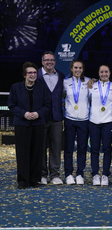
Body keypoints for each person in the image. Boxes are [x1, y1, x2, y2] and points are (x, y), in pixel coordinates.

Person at [8, 62, 50, 189]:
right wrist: (24, 113)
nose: (32, 75)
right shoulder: (15, 87)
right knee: (22, 153)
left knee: (37, 153)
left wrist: (38, 113)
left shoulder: (42, 87)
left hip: (38, 123)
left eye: (34, 72)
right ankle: (22, 181)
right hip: (22, 124)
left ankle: (34, 180)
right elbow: (11, 105)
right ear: (24, 75)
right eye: (30, 72)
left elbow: (47, 105)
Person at [37, 51, 65, 185]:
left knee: (56, 147)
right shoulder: (35, 75)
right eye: (47, 60)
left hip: (57, 117)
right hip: (40, 118)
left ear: (55, 61)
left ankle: (55, 175)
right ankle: (42, 175)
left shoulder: (60, 75)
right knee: (41, 147)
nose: (50, 62)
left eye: (52, 60)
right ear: (42, 62)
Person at [88, 65, 112, 186]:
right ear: (98, 73)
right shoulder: (91, 86)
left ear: (110, 73)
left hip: (108, 121)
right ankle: (95, 174)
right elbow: (88, 100)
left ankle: (105, 174)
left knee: (107, 149)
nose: (104, 74)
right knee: (94, 149)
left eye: (106, 72)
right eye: (102, 72)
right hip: (93, 121)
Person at [63, 60, 90, 185]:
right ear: (71, 69)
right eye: (75, 68)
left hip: (84, 120)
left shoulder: (89, 82)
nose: (78, 70)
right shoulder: (65, 82)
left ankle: (80, 173)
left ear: (83, 69)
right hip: (70, 119)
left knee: (82, 148)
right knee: (68, 148)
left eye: (80, 67)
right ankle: (68, 174)